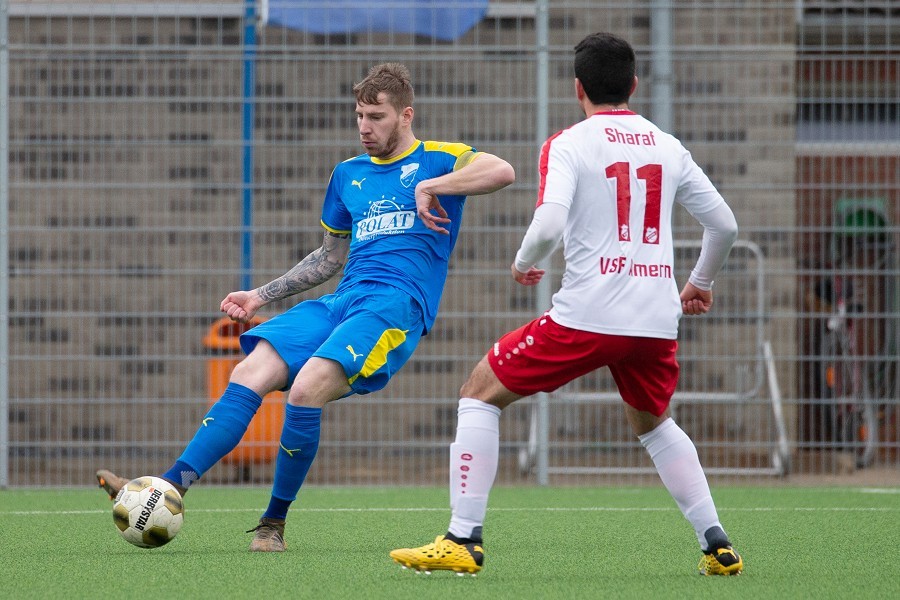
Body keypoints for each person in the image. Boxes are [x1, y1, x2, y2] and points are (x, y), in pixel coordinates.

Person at [96, 62, 516, 552]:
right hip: (341, 301)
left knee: (305, 389)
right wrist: (260, 295)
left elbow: (502, 171)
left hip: (394, 307)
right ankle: (167, 488)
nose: (364, 127)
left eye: (376, 117)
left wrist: (431, 187)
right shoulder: (348, 174)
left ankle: (273, 523)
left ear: (406, 115)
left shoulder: (439, 159)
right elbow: (330, 257)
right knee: (249, 372)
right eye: (359, 115)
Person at [390, 33, 743, 576]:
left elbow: (550, 223)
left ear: (578, 88)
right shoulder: (668, 145)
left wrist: (523, 261)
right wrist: (698, 281)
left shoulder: (569, 143)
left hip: (588, 315)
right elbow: (724, 224)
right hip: (655, 321)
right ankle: (716, 543)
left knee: (478, 393)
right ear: (634, 85)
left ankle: (462, 537)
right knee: (653, 423)